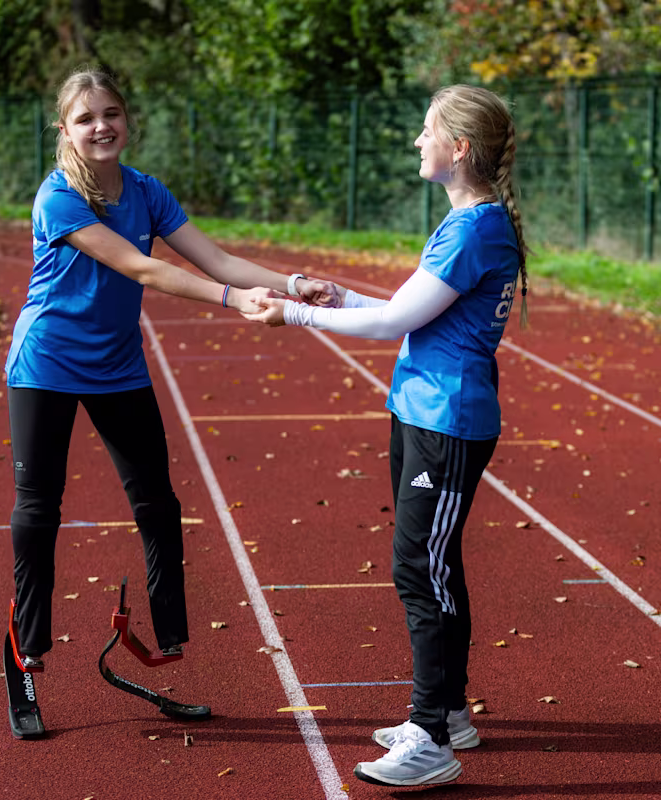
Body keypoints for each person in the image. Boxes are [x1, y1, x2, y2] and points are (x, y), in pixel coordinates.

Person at [4, 67, 337, 671]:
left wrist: (293, 284)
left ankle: (170, 632)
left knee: (156, 499)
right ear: (64, 130)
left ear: (127, 120)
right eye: (85, 119)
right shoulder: (59, 197)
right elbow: (142, 269)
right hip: (47, 361)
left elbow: (216, 258)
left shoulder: (147, 191)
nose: (100, 126)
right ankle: (29, 646)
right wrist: (232, 302)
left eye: (110, 114)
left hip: (117, 365)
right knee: (38, 506)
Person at [244, 84, 528, 787]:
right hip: (422, 412)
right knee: (435, 567)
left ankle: (431, 738)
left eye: (426, 130)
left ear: (459, 147)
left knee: (418, 570)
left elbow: (394, 324)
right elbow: (408, 310)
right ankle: (447, 713)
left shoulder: (474, 228)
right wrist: (338, 297)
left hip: (447, 419)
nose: (415, 140)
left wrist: (299, 318)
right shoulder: (468, 221)